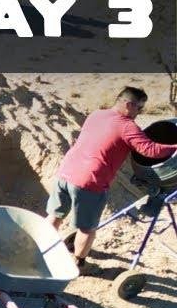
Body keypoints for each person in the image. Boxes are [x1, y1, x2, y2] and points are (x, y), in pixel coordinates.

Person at [46, 86, 176, 275]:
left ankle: (41, 249)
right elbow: (150, 150)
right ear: (128, 104)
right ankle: (79, 265)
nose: (140, 113)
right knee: (87, 228)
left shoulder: (97, 114)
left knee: (55, 215)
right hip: (90, 181)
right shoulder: (127, 126)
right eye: (139, 108)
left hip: (65, 173)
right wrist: (174, 146)